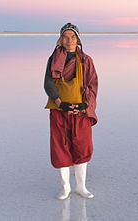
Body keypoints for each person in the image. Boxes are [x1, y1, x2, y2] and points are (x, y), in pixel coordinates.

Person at [44, 23, 98, 199]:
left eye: (73, 37)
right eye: (66, 37)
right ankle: (66, 187)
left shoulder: (86, 60)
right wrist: (61, 103)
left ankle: (81, 186)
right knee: (61, 148)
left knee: (82, 147)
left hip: (80, 113)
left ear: (78, 39)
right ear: (60, 39)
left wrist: (84, 105)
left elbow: (92, 84)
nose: (69, 40)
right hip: (59, 111)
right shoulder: (53, 60)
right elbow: (48, 84)